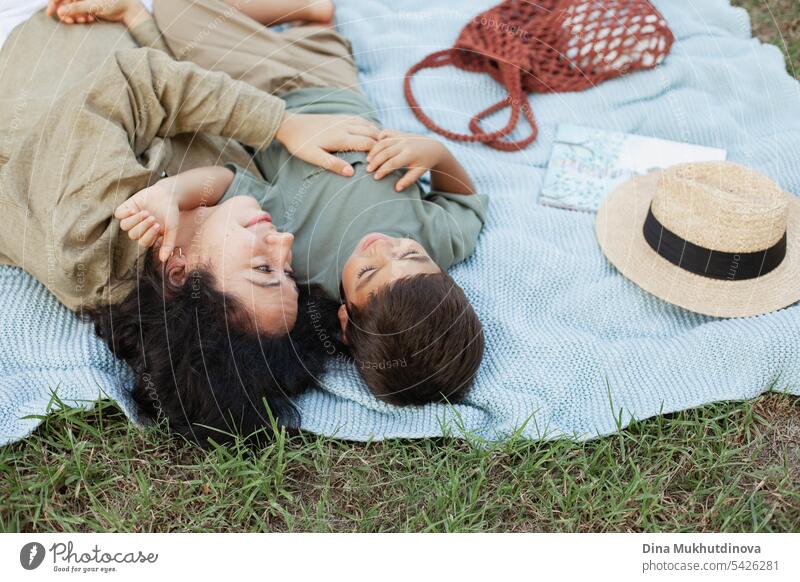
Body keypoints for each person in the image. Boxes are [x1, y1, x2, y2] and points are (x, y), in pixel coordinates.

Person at [0, 0, 379, 444]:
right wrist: (136, 19)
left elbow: (134, 82)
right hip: (121, 29)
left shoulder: (88, 231)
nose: (284, 242)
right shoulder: (204, 222)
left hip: (50, 21)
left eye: (263, 270)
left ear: (180, 275)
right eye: (287, 270)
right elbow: (180, 103)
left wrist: (282, 124)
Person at [143, 0, 489, 405]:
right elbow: (464, 201)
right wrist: (437, 154)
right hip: (331, 86)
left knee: (174, 11)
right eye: (409, 254)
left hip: (260, 103)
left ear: (345, 321)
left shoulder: (300, 262)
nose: (383, 247)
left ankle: (291, 16)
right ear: (442, 274)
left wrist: (173, 192)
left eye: (368, 272)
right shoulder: (438, 241)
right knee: (316, 37)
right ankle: (310, 13)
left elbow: (234, 188)